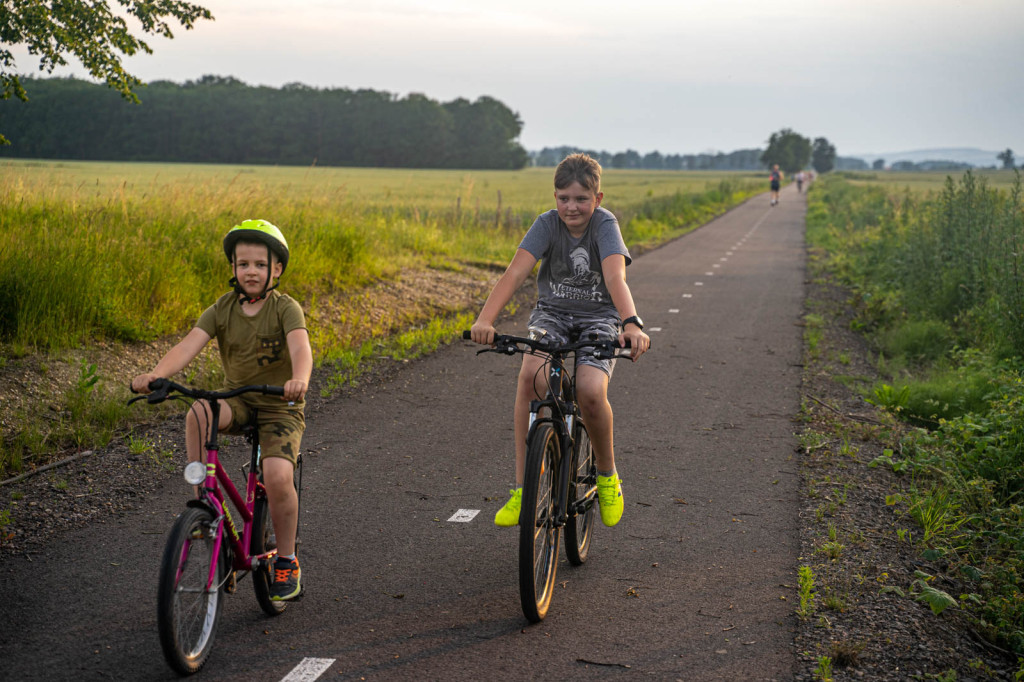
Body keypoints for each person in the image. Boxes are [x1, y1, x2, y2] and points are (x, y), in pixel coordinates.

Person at [131, 219, 312, 601]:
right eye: (243, 264)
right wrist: (157, 374)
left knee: (278, 476)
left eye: (260, 264)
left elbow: (300, 348)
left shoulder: (286, 308)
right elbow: (188, 345)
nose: (251, 271)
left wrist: (299, 379)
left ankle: (287, 559)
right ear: (233, 267)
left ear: (277, 269)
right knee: (200, 411)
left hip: (280, 406)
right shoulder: (222, 308)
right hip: (239, 400)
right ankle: (205, 500)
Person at [469, 153, 650, 528]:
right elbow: (514, 273)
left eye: (581, 199)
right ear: (555, 197)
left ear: (597, 198)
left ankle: (607, 477)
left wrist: (631, 323)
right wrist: (485, 319)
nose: (572, 207)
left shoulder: (604, 225)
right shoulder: (546, 224)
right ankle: (523, 490)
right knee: (530, 378)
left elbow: (615, 277)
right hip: (552, 314)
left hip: (599, 317)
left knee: (589, 390)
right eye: (564, 198)